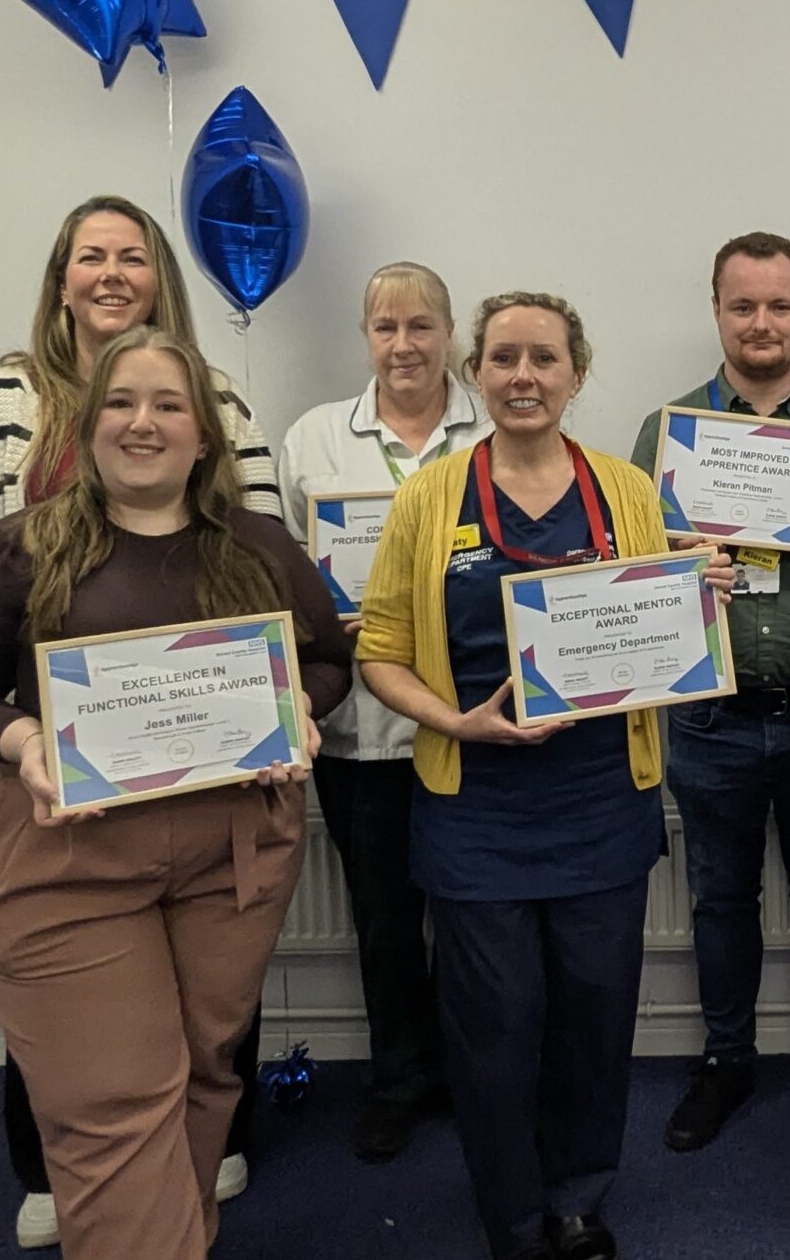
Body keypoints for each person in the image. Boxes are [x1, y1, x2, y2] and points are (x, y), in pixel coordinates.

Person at [0, 328, 350, 1260]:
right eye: (120, 403)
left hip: (233, 862)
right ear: (85, 424)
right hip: (68, 864)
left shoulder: (258, 545)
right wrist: (23, 737)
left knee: (200, 1082)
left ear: (206, 437)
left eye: (168, 405)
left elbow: (327, 662)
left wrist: (297, 707)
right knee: (113, 1103)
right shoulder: (20, 549)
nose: (142, 422)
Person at [356, 291, 733, 1260]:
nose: (523, 376)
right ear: (475, 373)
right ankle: (513, 1216)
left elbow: (657, 642)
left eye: (544, 359)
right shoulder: (429, 497)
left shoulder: (628, 493)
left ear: (576, 373)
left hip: (603, 803)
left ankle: (575, 1199)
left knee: (595, 1021)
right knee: (493, 1031)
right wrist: (457, 722)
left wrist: (695, 597)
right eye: (504, 359)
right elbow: (383, 649)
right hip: (474, 811)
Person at [628, 232, 790, 1151]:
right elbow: (630, 581)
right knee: (718, 898)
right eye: (743, 306)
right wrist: (673, 561)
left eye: (780, 305)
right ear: (716, 311)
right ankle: (726, 1060)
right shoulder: (665, 436)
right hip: (711, 716)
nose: (761, 323)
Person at [277, 262, 485, 1161]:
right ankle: (403, 1077)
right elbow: (279, 571)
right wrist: (323, 612)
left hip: (474, 722)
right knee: (386, 922)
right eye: (385, 327)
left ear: (449, 335)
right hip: (359, 730)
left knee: (482, 921)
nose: (403, 345)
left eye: (421, 326)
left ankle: (481, 1075)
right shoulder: (315, 438)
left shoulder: (495, 429)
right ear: (366, 337)